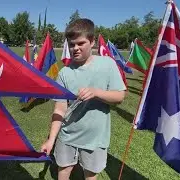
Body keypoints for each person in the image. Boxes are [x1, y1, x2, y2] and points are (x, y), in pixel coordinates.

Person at [40, 18, 126, 180]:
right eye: (71, 44)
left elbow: (120, 96)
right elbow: (59, 109)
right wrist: (51, 140)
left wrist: (97, 93)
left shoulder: (107, 65)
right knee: (63, 169)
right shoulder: (64, 73)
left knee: (90, 174)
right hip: (67, 135)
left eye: (80, 43)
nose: (75, 48)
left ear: (92, 41)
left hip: (95, 138)